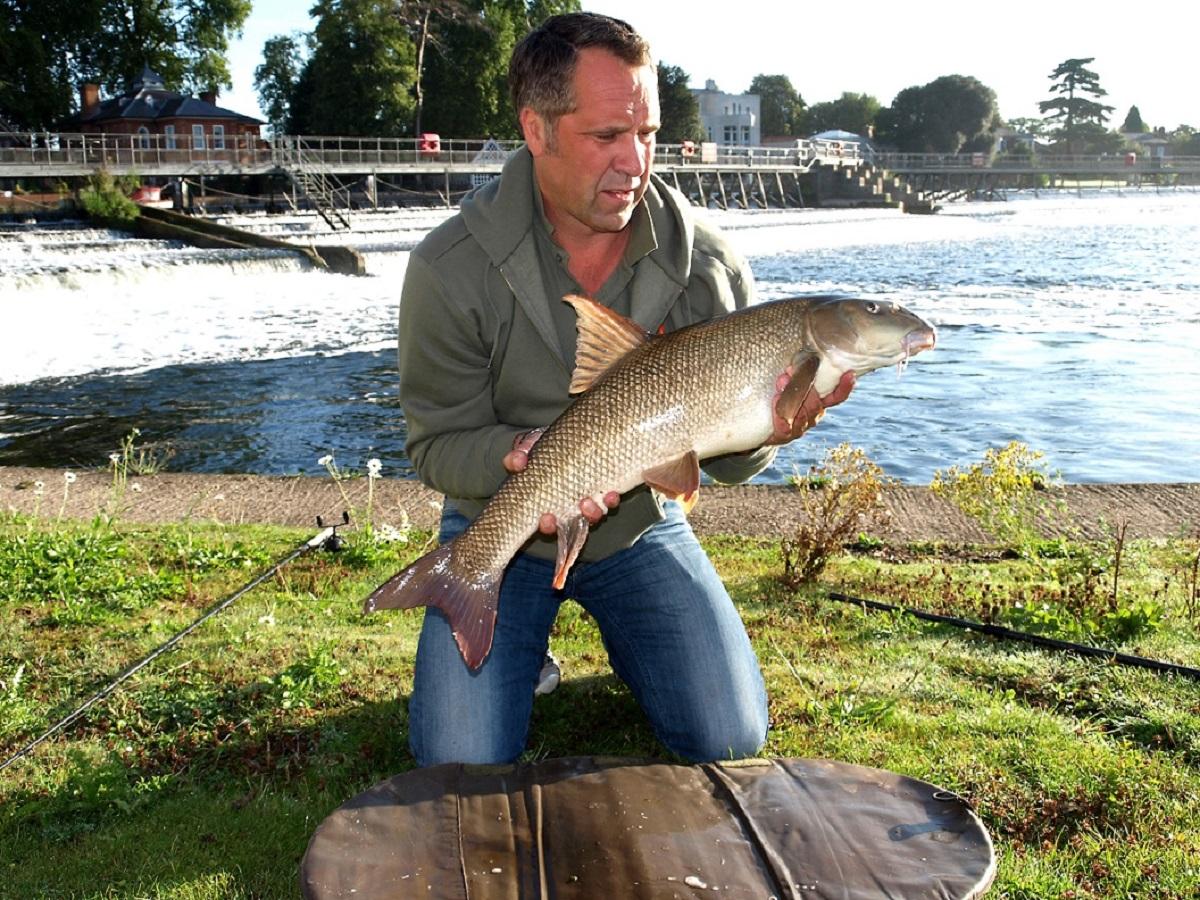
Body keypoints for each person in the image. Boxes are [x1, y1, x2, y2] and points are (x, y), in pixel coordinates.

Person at [396, 12, 852, 768]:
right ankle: (512, 641)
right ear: (536, 130)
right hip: (497, 526)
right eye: (607, 135)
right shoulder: (448, 267)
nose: (634, 161)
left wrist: (773, 430)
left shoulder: (707, 264)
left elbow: (728, 461)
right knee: (458, 761)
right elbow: (435, 444)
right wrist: (519, 456)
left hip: (640, 526)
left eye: (647, 134)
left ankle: (630, 642)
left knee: (731, 737)